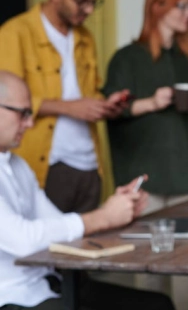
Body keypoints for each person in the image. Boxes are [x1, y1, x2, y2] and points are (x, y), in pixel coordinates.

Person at [0, 71, 174, 310]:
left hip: (51, 285)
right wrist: (102, 217)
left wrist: (114, 209)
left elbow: (59, 224)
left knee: (157, 305)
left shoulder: (18, 166)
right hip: (15, 298)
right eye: (22, 113)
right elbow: (23, 240)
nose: (30, 123)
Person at [101, 0, 188, 310]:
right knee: (149, 267)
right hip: (146, 176)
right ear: (157, 7)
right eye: (182, 6)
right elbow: (110, 109)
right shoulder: (127, 59)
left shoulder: (187, 58)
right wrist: (150, 102)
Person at [0, 0, 129, 213]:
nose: (89, 10)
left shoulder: (85, 38)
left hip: (89, 164)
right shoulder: (15, 33)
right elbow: (7, 102)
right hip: (47, 165)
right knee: (48, 248)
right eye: (81, 1)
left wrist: (104, 106)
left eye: (94, 2)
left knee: (90, 245)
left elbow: (87, 93)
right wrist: (69, 108)